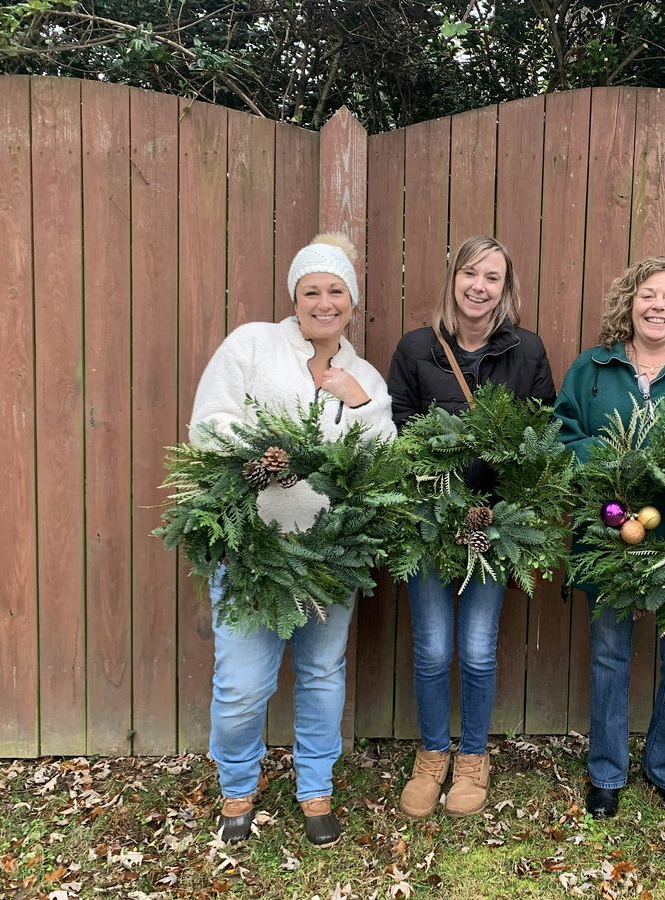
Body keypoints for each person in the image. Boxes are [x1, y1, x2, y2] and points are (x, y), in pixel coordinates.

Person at [189, 233, 396, 847]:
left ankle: (315, 786)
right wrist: (262, 452)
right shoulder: (252, 345)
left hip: (330, 557)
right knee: (242, 682)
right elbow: (210, 422)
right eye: (312, 291)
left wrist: (356, 404)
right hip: (253, 548)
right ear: (295, 296)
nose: (324, 302)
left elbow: (382, 461)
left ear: (352, 303)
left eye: (337, 291)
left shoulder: (365, 376)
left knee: (322, 671)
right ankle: (236, 783)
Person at [553, 256, 665, 819]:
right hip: (612, 532)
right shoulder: (593, 369)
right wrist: (615, 461)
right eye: (647, 294)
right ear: (628, 303)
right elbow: (562, 435)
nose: (658, 306)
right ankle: (606, 771)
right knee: (610, 651)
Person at [387, 235, 556, 818]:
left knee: (479, 650)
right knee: (433, 649)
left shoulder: (526, 352)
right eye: (469, 274)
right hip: (429, 524)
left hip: (493, 524)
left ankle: (474, 758)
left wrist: (508, 483)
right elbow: (399, 426)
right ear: (453, 278)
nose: (478, 287)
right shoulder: (416, 349)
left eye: (492, 277)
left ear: (505, 288)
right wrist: (453, 449)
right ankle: (433, 755)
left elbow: (543, 434)